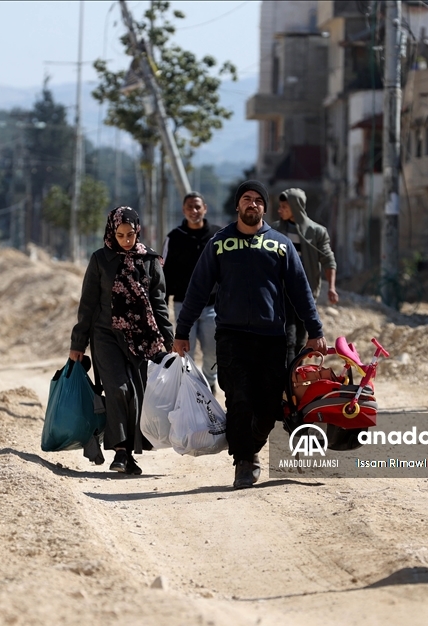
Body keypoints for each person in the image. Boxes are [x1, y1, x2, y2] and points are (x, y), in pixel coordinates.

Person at [173, 181, 327, 489]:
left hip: (272, 338)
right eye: (247, 199)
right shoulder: (219, 243)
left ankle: (251, 445)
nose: (253, 204)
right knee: (240, 398)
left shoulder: (280, 245)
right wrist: (182, 331)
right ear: (237, 205)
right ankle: (243, 461)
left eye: (258, 200)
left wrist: (315, 329)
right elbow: (197, 289)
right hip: (232, 338)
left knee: (269, 406)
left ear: (265, 208)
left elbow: (300, 290)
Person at [70, 206, 174, 475]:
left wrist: (170, 340)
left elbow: (159, 304)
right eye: (120, 234)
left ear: (137, 231)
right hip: (105, 335)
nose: (126, 240)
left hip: (142, 339)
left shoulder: (150, 261)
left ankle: (129, 455)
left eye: (130, 234)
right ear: (111, 232)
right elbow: (88, 304)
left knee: (138, 394)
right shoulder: (100, 260)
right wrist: (78, 344)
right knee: (119, 388)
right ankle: (120, 451)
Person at [162, 191, 218, 392]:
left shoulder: (217, 236)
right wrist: (162, 306)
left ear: (205, 208)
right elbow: (164, 273)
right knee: (186, 351)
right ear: (183, 210)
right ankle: (191, 388)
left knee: (213, 352)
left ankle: (211, 381)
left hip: (213, 306)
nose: (193, 211)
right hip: (183, 306)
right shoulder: (174, 238)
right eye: (189, 207)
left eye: (197, 207)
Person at [276, 188, 339, 366]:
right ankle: (285, 381)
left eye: (284, 207)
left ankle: (294, 378)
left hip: (306, 292)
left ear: (296, 207)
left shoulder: (317, 232)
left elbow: (329, 260)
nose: (279, 210)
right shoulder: (274, 230)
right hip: (280, 292)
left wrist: (332, 288)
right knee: (287, 337)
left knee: (301, 339)